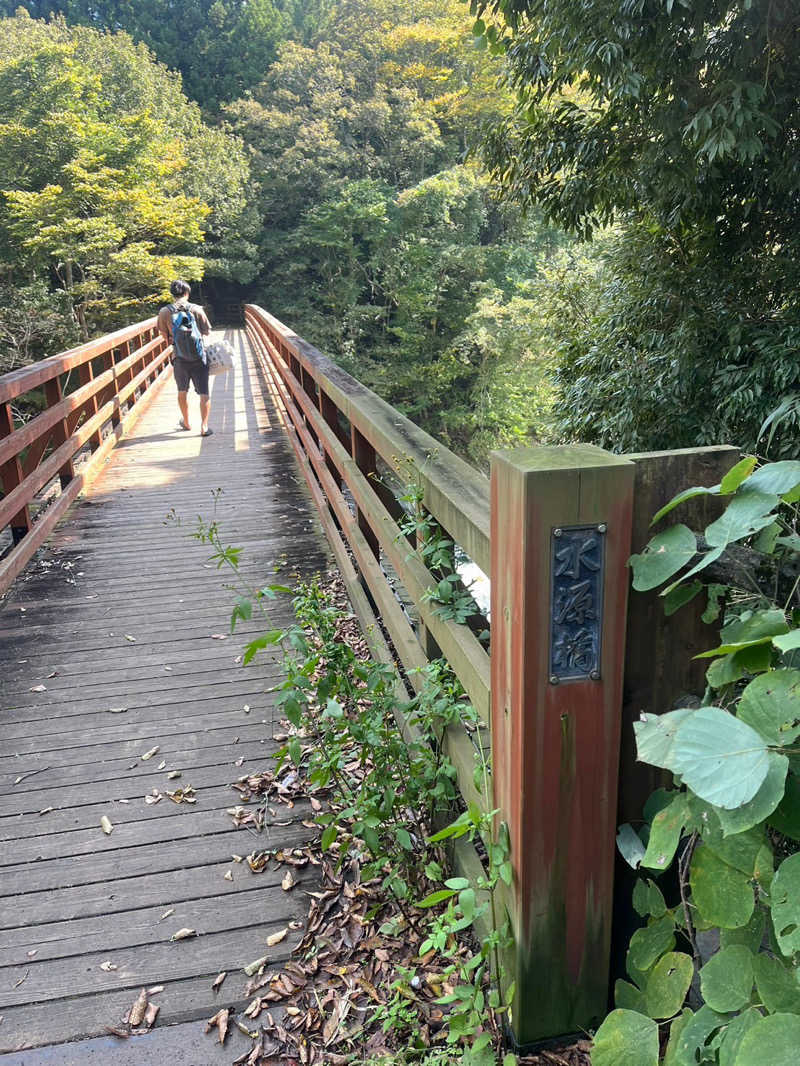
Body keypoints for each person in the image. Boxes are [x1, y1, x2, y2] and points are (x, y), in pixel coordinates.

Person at [157, 280, 214, 436]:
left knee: (182, 390)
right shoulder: (196, 309)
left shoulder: (164, 312)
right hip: (199, 357)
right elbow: (207, 332)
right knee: (204, 392)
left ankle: (187, 422)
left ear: (172, 294)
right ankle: (204, 426)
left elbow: (164, 336)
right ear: (187, 293)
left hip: (179, 358)